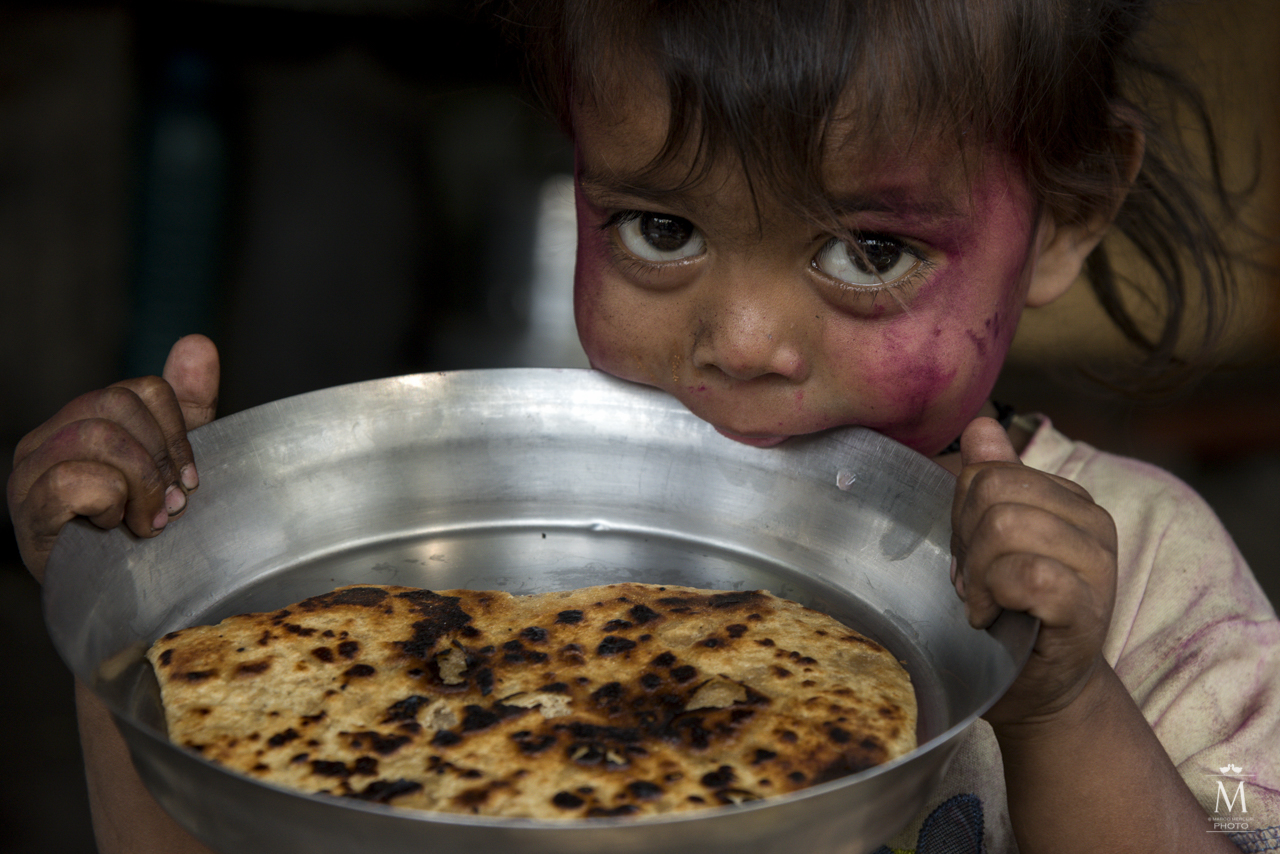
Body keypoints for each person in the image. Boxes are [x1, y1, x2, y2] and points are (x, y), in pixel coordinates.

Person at [8, 0, 1279, 851]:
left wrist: (1058, 703)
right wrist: (128, 602)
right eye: (661, 229)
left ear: (1062, 215)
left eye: (867, 247)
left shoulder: (1141, 572)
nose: (741, 339)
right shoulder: (501, 554)